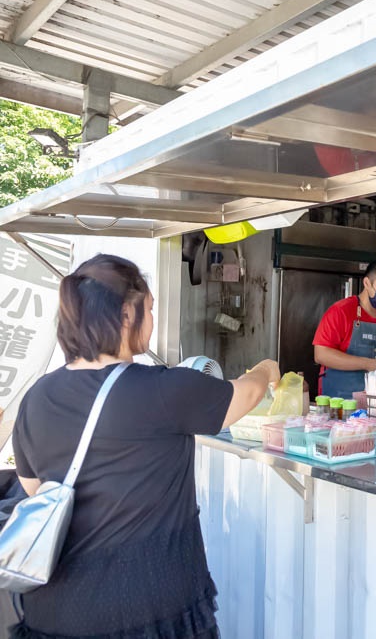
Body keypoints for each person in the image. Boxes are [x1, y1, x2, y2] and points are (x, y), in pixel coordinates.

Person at [11, 254, 280, 639]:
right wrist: (268, 367)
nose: (152, 320)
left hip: (54, 611)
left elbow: (34, 487)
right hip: (148, 611)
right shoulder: (164, 389)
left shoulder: (38, 395)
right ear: (124, 314)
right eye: (149, 309)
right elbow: (248, 393)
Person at [313, 259, 376, 398]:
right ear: (367, 283)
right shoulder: (341, 311)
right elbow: (321, 355)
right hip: (340, 402)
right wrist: (367, 364)